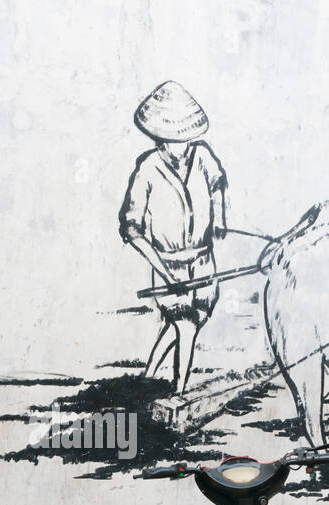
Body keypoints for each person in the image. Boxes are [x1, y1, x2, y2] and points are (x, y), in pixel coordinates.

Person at [119, 81, 228, 394]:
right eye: (170, 140)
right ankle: (178, 396)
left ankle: (149, 376)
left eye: (183, 139)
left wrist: (219, 219)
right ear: (159, 138)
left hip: (204, 262)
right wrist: (166, 274)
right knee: (185, 325)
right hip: (169, 264)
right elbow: (132, 228)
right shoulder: (147, 169)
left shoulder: (203, 156)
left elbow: (218, 183)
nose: (178, 146)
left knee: (192, 321)